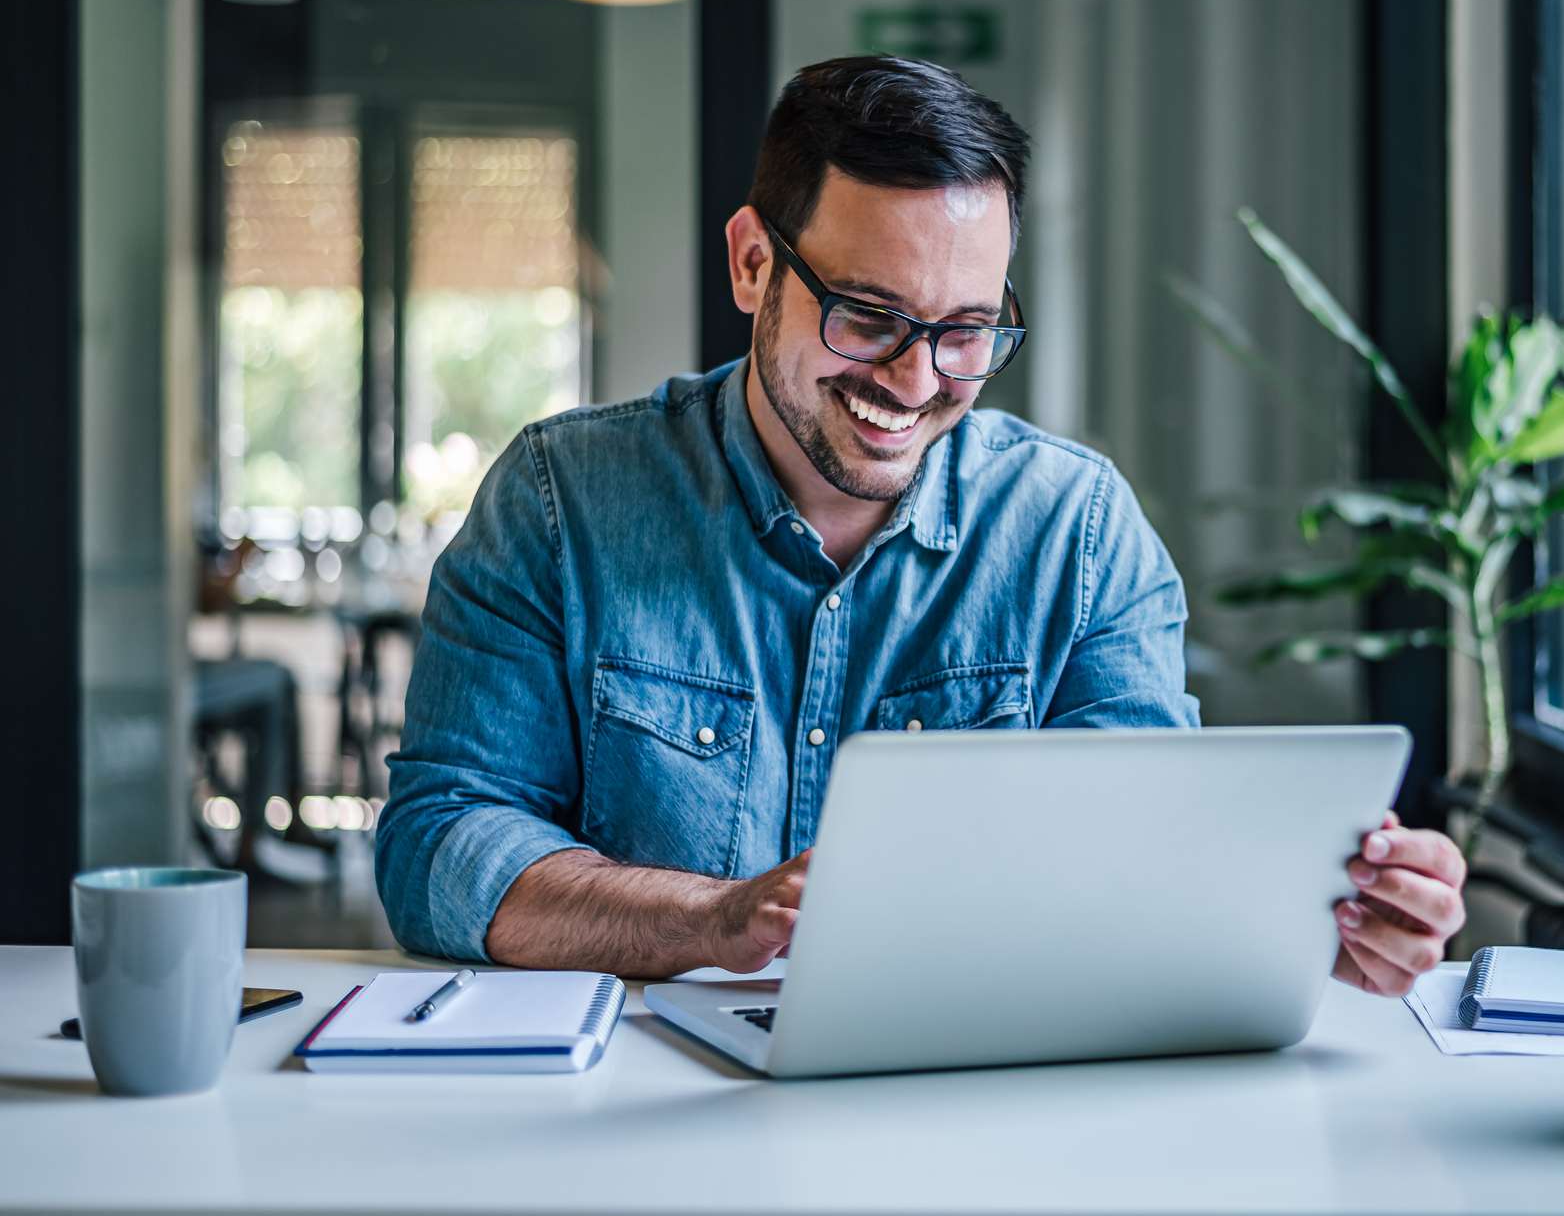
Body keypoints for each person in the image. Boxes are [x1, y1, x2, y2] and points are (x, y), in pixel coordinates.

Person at [374, 54, 1465, 993]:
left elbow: (1137, 868)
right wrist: (716, 917)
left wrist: (1318, 920)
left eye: (968, 331)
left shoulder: (1075, 536)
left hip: (970, 1123)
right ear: (754, 264)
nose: (917, 376)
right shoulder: (560, 503)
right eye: (869, 316)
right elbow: (439, 845)